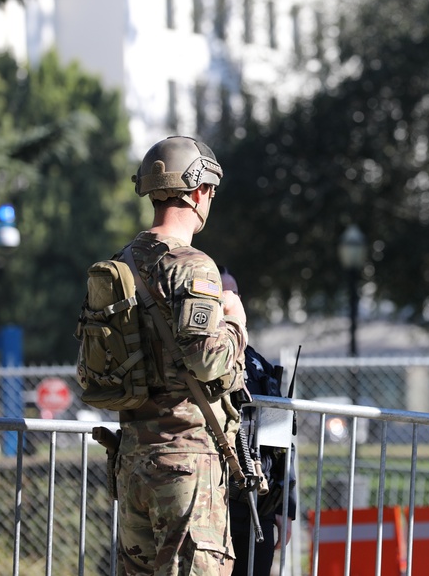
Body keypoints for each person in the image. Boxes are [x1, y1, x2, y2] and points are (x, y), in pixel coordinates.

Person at [117, 135, 249, 575]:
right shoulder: (192, 265)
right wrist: (235, 322)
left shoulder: (122, 264)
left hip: (133, 460)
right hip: (185, 464)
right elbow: (208, 360)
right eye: (210, 191)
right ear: (197, 191)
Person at [220, 268, 297, 576]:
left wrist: (284, 508)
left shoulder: (258, 365)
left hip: (256, 504)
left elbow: (279, 441)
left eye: (234, 294)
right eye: (222, 294)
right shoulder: (186, 362)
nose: (230, 301)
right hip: (211, 501)